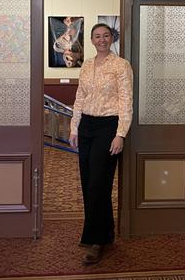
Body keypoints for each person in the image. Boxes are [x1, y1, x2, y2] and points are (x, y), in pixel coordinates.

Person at [69, 23, 133, 265]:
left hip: (109, 127)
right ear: (92, 40)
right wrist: (74, 127)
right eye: (97, 36)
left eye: (106, 35)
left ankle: (96, 242)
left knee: (99, 182)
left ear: (111, 38)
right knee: (88, 182)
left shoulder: (121, 65)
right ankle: (102, 233)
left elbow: (126, 101)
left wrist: (121, 134)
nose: (102, 40)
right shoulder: (86, 65)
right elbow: (79, 97)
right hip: (86, 126)